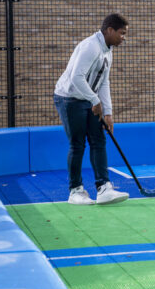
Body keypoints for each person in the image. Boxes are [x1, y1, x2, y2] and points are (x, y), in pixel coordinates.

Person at [53, 14, 130, 206]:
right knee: (77, 144)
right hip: (69, 98)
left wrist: (108, 113)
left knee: (99, 140)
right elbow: (76, 78)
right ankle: (75, 191)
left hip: (88, 99)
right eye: (122, 33)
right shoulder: (91, 47)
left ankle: (104, 188)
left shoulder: (107, 50)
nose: (124, 37)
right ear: (109, 30)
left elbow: (104, 82)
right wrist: (95, 100)